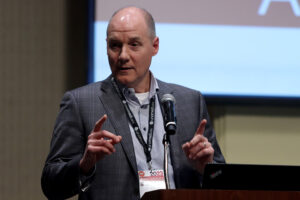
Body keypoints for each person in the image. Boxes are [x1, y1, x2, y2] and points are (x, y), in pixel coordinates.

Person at [41, 6, 225, 200]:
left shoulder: (189, 102)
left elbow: (223, 181)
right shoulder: (81, 103)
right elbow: (51, 185)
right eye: (115, 45)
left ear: (155, 46)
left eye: (134, 44)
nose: (123, 56)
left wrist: (206, 168)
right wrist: (83, 165)